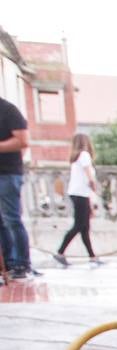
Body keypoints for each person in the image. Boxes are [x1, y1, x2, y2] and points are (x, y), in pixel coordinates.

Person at [0, 95, 37, 279]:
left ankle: (21, 264)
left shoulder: (8, 110)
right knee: (2, 223)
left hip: (7, 173)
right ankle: (7, 264)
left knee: (11, 219)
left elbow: (23, 140)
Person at [54, 133, 101, 267]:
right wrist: (93, 186)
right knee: (79, 225)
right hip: (81, 194)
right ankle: (60, 251)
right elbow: (89, 175)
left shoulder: (76, 158)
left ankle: (92, 256)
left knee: (84, 226)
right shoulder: (84, 155)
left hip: (79, 194)